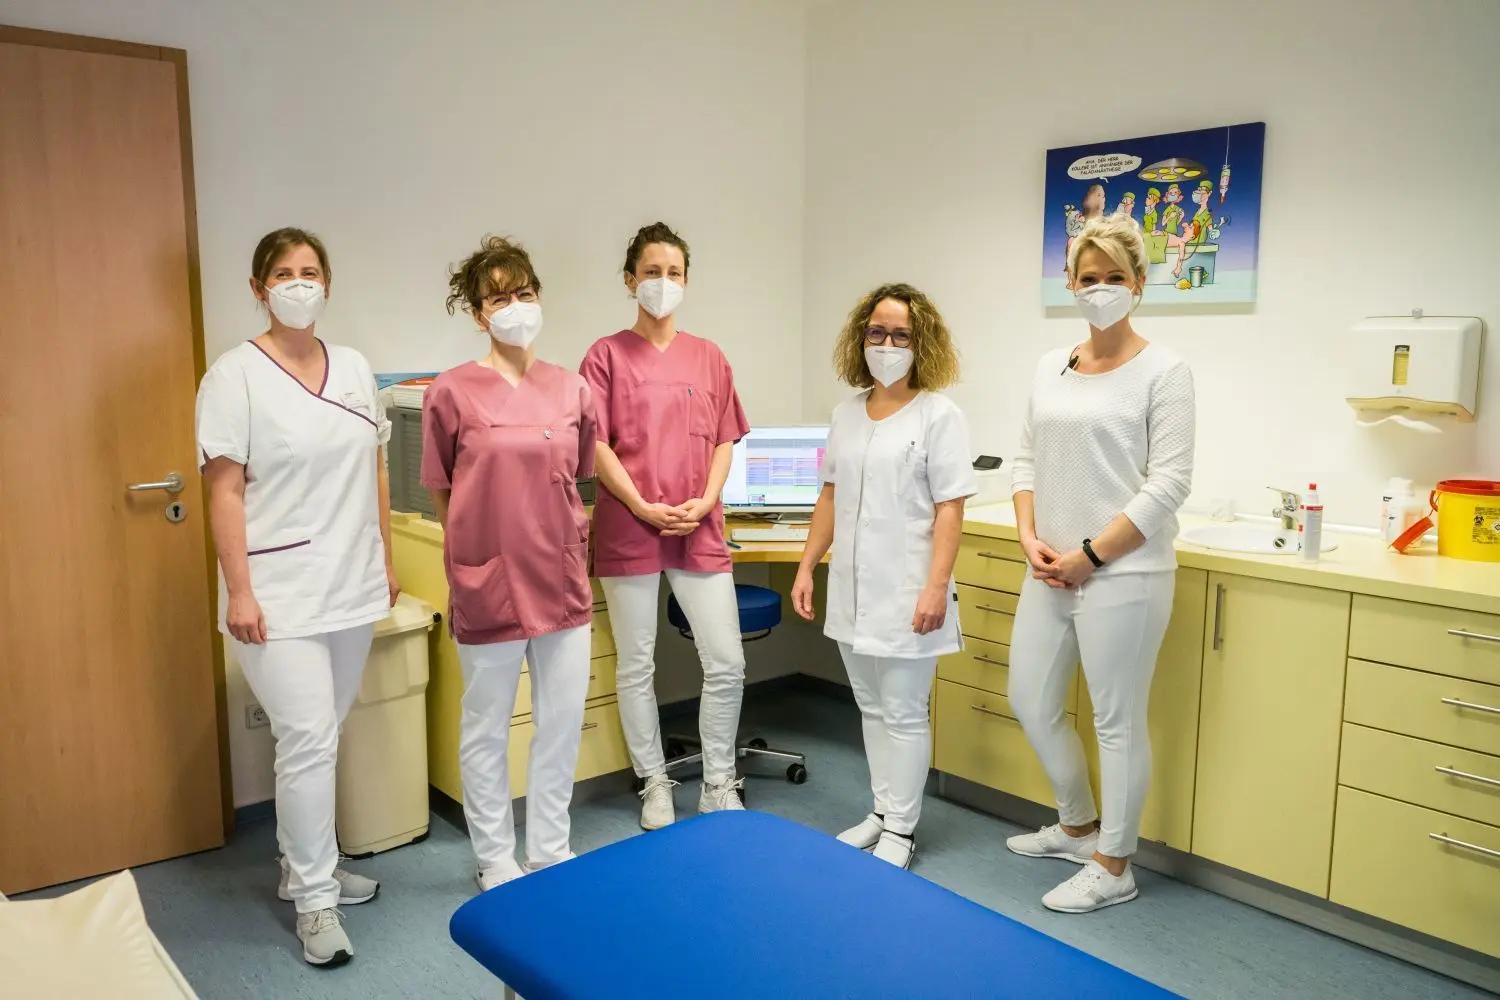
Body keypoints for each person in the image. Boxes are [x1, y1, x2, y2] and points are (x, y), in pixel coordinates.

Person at [197, 227, 397, 967]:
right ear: (259, 288)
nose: (298, 283)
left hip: (351, 583)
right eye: (283, 273)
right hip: (275, 593)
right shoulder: (234, 375)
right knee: (308, 740)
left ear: (328, 283)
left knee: (321, 738)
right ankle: (314, 903)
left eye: (310, 271)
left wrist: (384, 557)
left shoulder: (352, 367)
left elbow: (374, 468)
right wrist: (238, 591)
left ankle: (299, 868)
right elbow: (222, 491)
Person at [1006, 214, 1195, 913]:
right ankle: (1077, 826)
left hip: (1125, 573)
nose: (1103, 289)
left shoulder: (1165, 372)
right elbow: (1025, 458)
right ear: (1070, 283)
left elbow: (1169, 484)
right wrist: (1031, 538)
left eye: (1117, 277)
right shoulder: (1048, 367)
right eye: (1090, 278)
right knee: (1030, 699)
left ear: (1140, 284)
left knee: (1117, 720)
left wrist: (1090, 555)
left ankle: (1115, 864)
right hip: (1049, 566)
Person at [421, 237, 595, 891]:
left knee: (560, 720)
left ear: (539, 297)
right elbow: (440, 485)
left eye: (523, 293)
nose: (514, 306)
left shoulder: (572, 388)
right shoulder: (451, 392)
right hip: (488, 578)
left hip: (560, 577)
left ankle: (551, 845)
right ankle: (495, 854)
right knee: (486, 724)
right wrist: (472, 546)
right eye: (498, 297)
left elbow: (578, 479)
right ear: (477, 312)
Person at [790, 283, 975, 870]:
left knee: (903, 711)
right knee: (869, 709)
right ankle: (880, 809)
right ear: (860, 339)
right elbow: (830, 495)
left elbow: (951, 507)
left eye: (900, 335)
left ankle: (902, 826)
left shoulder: (940, 415)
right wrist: (805, 566)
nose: (887, 344)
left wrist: (934, 587)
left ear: (921, 343)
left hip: (907, 589)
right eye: (877, 333)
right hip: (851, 587)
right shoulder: (846, 413)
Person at [580, 222, 750, 830]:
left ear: (687, 281)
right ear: (630, 279)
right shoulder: (604, 356)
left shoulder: (709, 356)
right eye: (651, 272)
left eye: (673, 272)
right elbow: (596, 443)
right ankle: (654, 781)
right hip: (630, 525)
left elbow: (727, 436)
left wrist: (705, 500)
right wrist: (641, 505)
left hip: (697, 525)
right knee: (637, 663)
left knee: (726, 661)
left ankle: (718, 782)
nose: (662, 282)